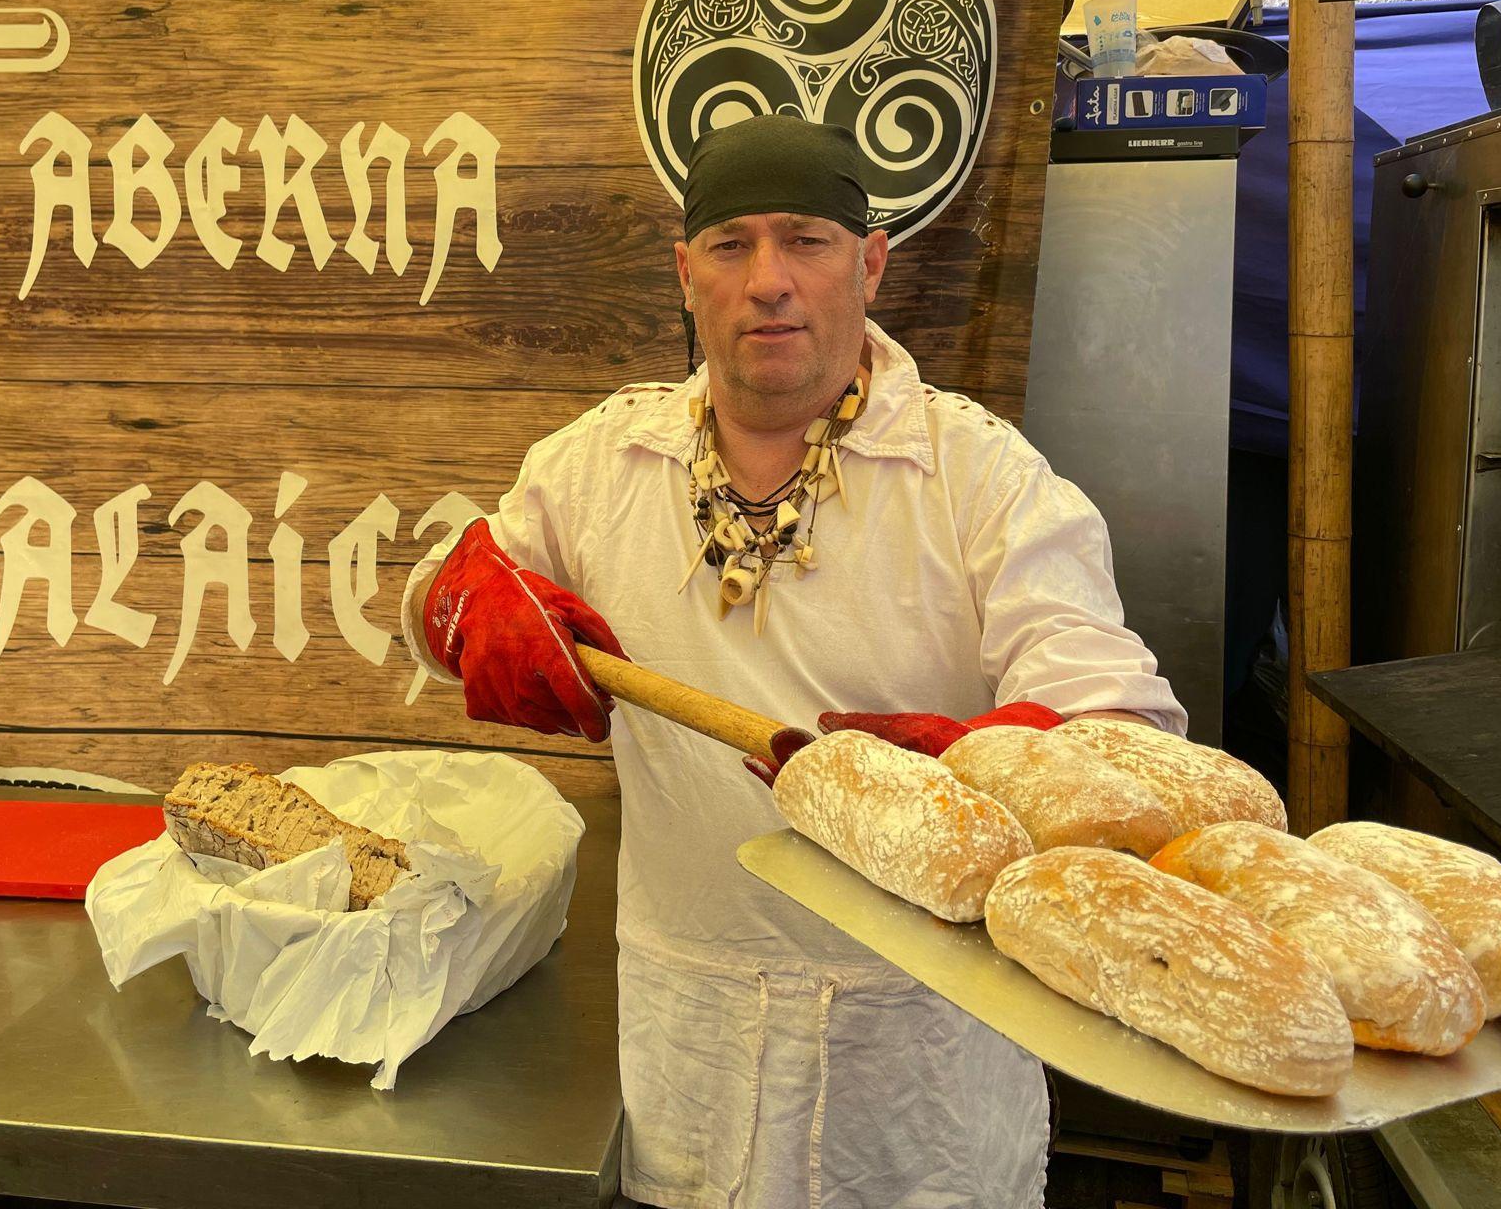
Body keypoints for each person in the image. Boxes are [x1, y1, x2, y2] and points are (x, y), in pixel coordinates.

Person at [400, 113, 1187, 1209]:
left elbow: (1117, 716)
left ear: (868, 264)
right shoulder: (597, 461)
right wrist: (467, 606)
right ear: (685, 275)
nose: (768, 280)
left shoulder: (979, 474)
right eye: (731, 245)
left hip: (925, 1047)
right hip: (692, 1024)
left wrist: (995, 756)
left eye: (805, 240)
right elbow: (443, 601)